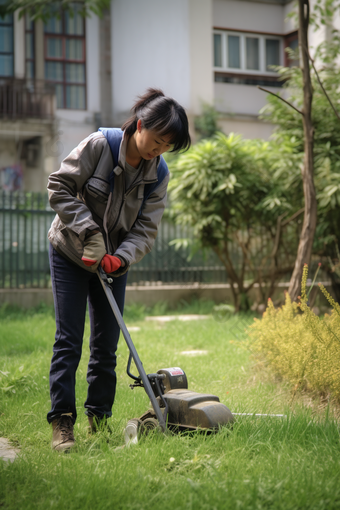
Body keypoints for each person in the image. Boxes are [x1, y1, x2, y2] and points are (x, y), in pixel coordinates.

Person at [46, 88, 191, 451]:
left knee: (107, 344)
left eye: (166, 146)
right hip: (69, 252)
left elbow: (146, 228)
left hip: (112, 262)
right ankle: (62, 423)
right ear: (140, 125)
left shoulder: (158, 174)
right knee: (69, 340)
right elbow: (58, 186)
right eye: (156, 140)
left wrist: (122, 257)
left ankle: (100, 420)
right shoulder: (99, 145)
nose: (157, 150)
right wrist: (89, 232)